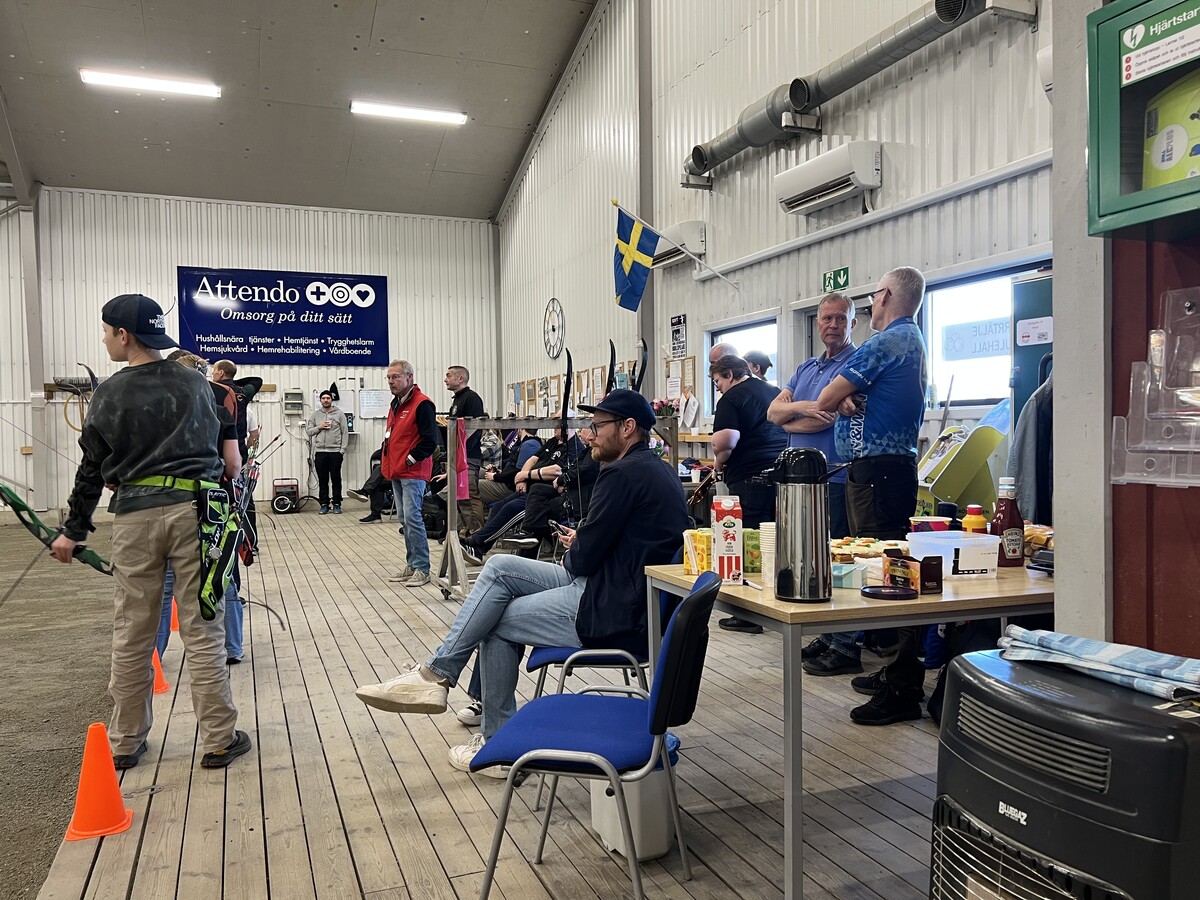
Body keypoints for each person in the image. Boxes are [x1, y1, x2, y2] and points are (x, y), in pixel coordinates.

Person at [353, 390, 689, 774]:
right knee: (498, 568)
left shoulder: (620, 474)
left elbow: (584, 559)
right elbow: (623, 541)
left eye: (597, 427)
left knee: (496, 621)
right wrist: (586, 541)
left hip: (611, 607)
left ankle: (497, 744)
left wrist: (581, 545)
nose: (590, 435)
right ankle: (437, 674)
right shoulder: (657, 468)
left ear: (628, 427)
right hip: (623, 591)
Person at [50, 293, 251, 770]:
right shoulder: (197, 384)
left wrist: (73, 531)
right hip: (196, 514)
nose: (104, 340)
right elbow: (222, 453)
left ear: (124, 335)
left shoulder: (109, 393)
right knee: (202, 627)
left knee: (133, 632)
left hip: (135, 518)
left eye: (106, 332)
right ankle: (219, 739)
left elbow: (92, 469)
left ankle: (124, 742)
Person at [815, 266, 930, 725]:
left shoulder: (887, 341)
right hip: (883, 471)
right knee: (887, 569)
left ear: (884, 296)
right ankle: (896, 672)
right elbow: (841, 397)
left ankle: (902, 687)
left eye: (873, 295)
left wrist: (840, 396)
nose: (870, 303)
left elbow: (825, 399)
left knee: (891, 576)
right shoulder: (908, 340)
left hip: (879, 474)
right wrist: (848, 397)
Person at [767, 292, 861, 675]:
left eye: (841, 318)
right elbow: (773, 414)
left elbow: (828, 419)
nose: (833, 325)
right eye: (827, 318)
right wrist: (801, 408)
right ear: (818, 323)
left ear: (853, 323)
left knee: (839, 559)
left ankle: (846, 645)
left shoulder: (856, 364)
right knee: (813, 558)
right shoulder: (806, 367)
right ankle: (827, 631)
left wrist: (792, 416)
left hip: (834, 477)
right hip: (797, 483)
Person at [709, 354, 787, 634]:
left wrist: (718, 464)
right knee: (775, 540)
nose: (718, 388)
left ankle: (751, 615)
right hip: (782, 473)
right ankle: (779, 601)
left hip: (750, 475)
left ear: (729, 375)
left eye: (718, 382)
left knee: (751, 542)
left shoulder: (731, 398)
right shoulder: (774, 391)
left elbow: (726, 441)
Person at [460, 425, 583, 563]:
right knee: (498, 506)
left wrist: (523, 475)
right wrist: (522, 477)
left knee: (507, 508)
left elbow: (556, 471)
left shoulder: (571, 447)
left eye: (558, 424)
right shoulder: (552, 441)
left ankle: (476, 542)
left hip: (541, 495)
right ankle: (478, 548)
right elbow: (532, 460)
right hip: (527, 487)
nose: (554, 427)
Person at [382, 360, 438, 587]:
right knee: (404, 518)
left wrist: (411, 459)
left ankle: (423, 568)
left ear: (409, 377)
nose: (391, 382)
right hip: (397, 469)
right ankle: (412, 565)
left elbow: (430, 441)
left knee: (413, 518)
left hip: (412, 471)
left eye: (395, 377)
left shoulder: (422, 404)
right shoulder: (396, 403)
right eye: (389, 378)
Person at [444, 366, 486, 536]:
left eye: (449, 376)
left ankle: (478, 534)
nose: (445, 379)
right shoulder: (457, 400)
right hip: (457, 456)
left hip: (468, 456)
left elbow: (475, 429)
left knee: (470, 495)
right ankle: (465, 532)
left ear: (460, 378)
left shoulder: (472, 398)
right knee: (459, 497)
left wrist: (462, 451)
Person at [307, 390, 349, 514]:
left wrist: (342, 450)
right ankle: (324, 504)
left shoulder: (339, 414)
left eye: (328, 398)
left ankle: (337, 503)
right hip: (320, 452)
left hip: (335, 452)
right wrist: (319, 427)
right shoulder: (315, 415)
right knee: (323, 479)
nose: (326, 400)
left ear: (331, 400)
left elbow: (345, 432)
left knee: (336, 479)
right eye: (323, 398)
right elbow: (309, 431)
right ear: (320, 400)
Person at [349, 448, 393, 522]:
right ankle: (375, 515)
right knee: (377, 484)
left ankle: (365, 492)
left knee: (380, 469)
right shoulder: (389, 442)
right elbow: (383, 451)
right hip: (393, 476)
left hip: (406, 476)